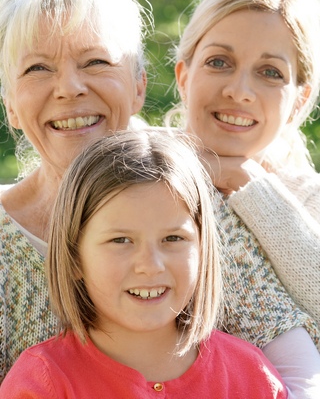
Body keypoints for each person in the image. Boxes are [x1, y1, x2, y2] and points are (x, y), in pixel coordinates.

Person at [0, 129, 288, 398]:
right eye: (121, 241)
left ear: (202, 249)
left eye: (173, 238)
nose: (150, 265)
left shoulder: (251, 377)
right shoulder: (43, 383)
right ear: (75, 257)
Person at [167, 0, 320, 397]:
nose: (239, 90)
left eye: (270, 72)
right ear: (183, 74)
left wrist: (250, 187)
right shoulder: (138, 171)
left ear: (298, 102)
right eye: (219, 62)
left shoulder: (310, 198)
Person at [0, 0, 152, 382]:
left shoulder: (197, 204)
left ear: (138, 85)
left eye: (96, 62)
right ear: (11, 104)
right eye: (37, 68)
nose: (68, 87)